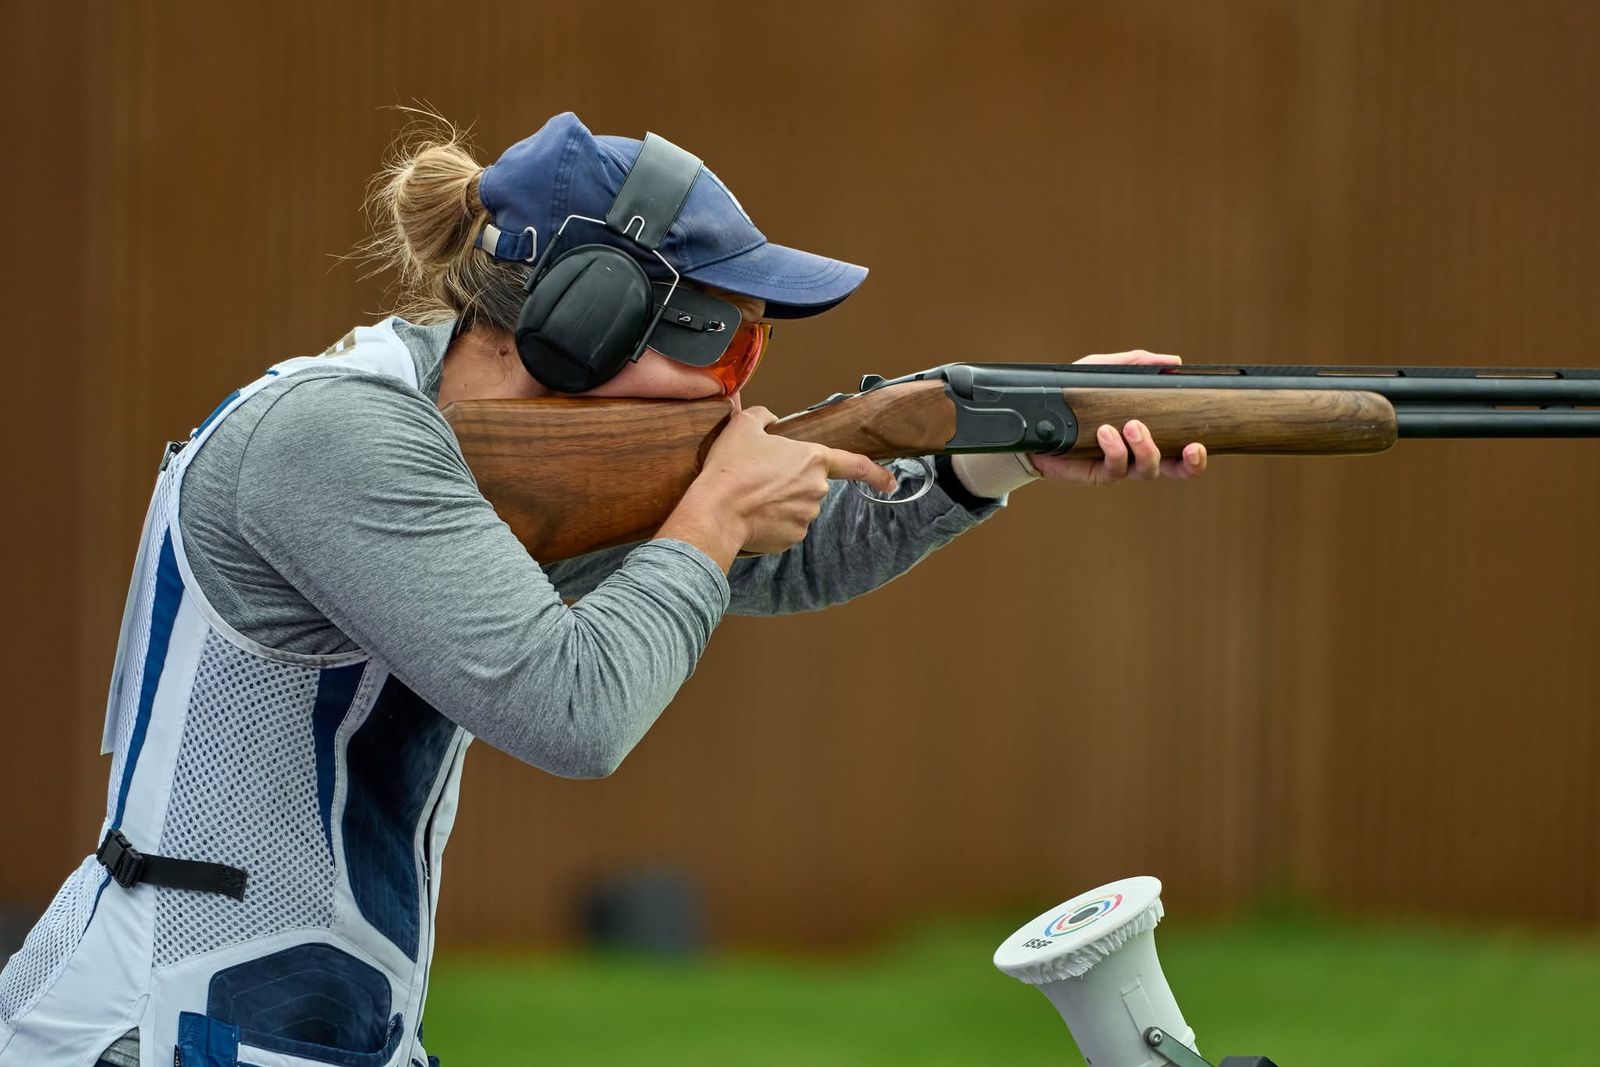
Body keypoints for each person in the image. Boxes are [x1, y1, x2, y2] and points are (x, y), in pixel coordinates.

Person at [0, 111, 1205, 1067]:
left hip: (295, 1021)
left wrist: (991, 458)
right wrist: (714, 510)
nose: (737, 384)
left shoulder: (451, 448)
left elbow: (783, 560)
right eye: (723, 338)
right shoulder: (341, 438)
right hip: (161, 1022)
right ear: (591, 318)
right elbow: (569, 708)